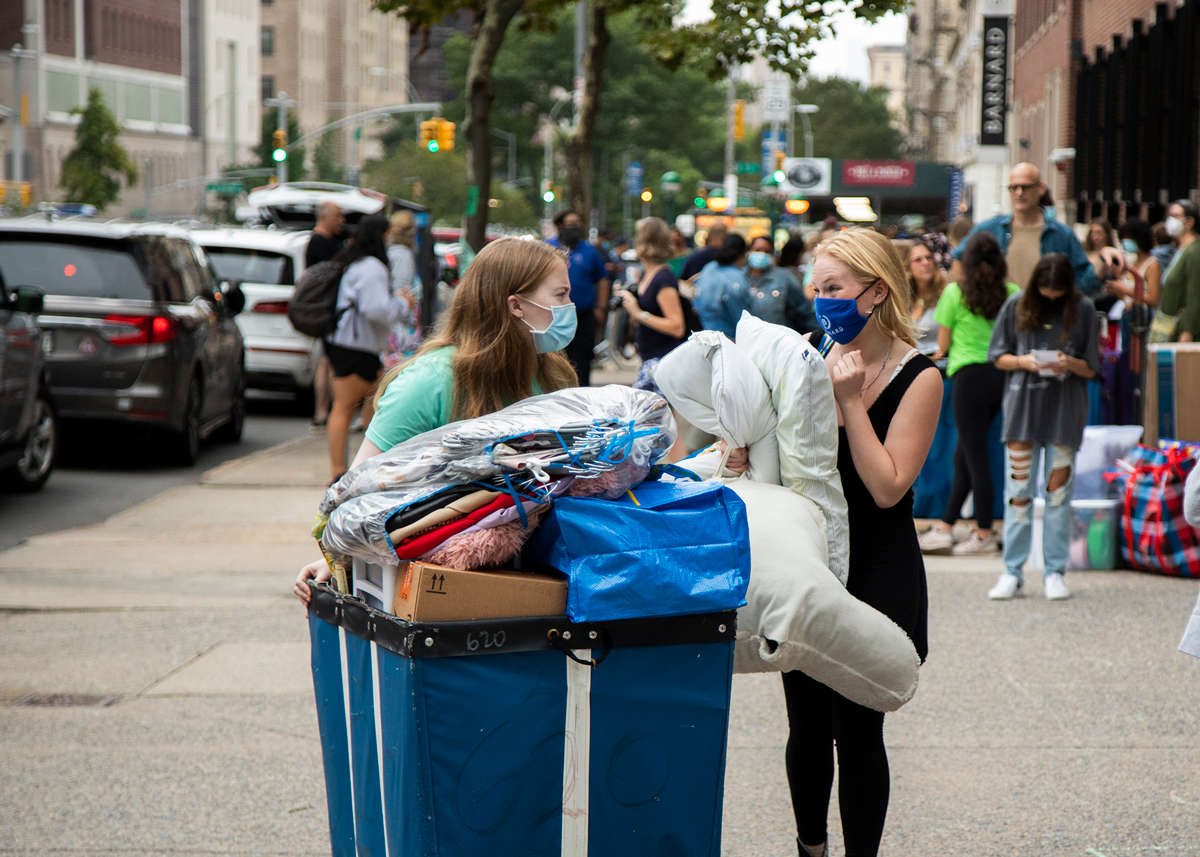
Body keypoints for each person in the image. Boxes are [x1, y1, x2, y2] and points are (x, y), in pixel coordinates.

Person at [771, 228, 942, 857]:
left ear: (875, 291)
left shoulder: (919, 377)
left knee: (859, 731)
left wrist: (848, 402)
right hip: (815, 564)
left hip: (879, 569)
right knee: (806, 726)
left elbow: (888, 486)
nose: (821, 301)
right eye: (816, 288)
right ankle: (809, 849)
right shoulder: (810, 353)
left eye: (834, 289)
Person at [294, 238, 579, 602]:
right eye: (560, 295)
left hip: (537, 577)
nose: (570, 307)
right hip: (437, 589)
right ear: (516, 305)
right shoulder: (428, 382)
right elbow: (358, 489)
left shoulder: (555, 375)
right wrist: (332, 559)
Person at [986, 253, 1100, 601]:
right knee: (1018, 495)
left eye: (1057, 292)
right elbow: (996, 355)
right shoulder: (1015, 305)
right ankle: (1012, 571)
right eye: (1046, 291)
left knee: (1058, 496)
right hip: (1022, 410)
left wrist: (1070, 363)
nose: (1051, 298)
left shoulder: (1084, 310)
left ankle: (1054, 571)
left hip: (1064, 412)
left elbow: (1092, 368)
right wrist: (1025, 361)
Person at [919, 231, 1020, 555]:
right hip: (1002, 375)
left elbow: (944, 346)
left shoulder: (954, 293)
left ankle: (984, 532)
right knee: (967, 453)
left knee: (974, 458)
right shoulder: (1013, 293)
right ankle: (947, 526)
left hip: (967, 377)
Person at [324, 215, 410, 483]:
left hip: (349, 343)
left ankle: (357, 466)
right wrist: (402, 303)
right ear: (380, 236)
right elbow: (376, 310)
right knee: (346, 406)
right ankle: (340, 471)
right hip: (356, 346)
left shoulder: (358, 263)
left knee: (372, 402)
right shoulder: (373, 267)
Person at [950, 162, 1123, 296]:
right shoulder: (990, 229)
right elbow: (958, 258)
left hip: (1045, 323)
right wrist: (973, 298)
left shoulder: (1062, 235)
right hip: (998, 322)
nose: (1019, 192)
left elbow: (1082, 284)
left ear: (1040, 188)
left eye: (1025, 187)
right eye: (1013, 187)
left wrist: (1102, 261)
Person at [620, 217, 687, 392]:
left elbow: (677, 326)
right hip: (650, 359)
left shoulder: (663, 278)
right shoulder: (648, 274)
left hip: (662, 362)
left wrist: (638, 313)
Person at [548, 210, 610, 385]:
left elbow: (602, 279)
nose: (574, 228)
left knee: (583, 359)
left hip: (583, 315)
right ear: (560, 226)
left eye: (577, 224)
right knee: (557, 358)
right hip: (555, 316)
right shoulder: (547, 247)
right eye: (570, 224)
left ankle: (582, 390)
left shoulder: (590, 251)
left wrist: (601, 307)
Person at [306, 202, 345, 428]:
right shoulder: (318, 243)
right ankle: (323, 411)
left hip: (329, 311)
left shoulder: (331, 241)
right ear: (325, 217)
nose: (342, 221)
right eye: (338, 216)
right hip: (326, 311)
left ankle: (325, 411)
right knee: (328, 362)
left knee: (326, 361)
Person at [744, 235, 817, 335]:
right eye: (757, 250)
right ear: (749, 252)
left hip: (776, 338)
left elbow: (804, 309)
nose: (761, 254)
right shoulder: (738, 278)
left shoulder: (784, 277)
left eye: (766, 251)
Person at [383, 210, 421, 368]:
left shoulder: (390, 252)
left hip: (393, 320)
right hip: (399, 325)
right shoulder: (403, 254)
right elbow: (403, 291)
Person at [693, 233, 749, 339]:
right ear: (743, 254)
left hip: (704, 335)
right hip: (729, 337)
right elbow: (741, 316)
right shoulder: (737, 277)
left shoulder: (709, 268)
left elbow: (696, 301)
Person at [1161, 199, 1200, 342]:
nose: (1170, 220)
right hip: (1168, 326)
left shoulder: (1194, 252)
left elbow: (1195, 295)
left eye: (1175, 216)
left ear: (1189, 222)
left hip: (1182, 331)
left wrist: (1187, 332)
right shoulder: (1179, 250)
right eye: (1169, 216)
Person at [905, 239, 947, 359]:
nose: (925, 262)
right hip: (910, 365)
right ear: (908, 267)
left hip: (941, 365)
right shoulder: (903, 298)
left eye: (929, 258)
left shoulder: (945, 293)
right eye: (918, 260)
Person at [1084, 218, 1118, 285]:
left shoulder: (1113, 254)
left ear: (1106, 234)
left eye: (1099, 232)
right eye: (1092, 232)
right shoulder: (1085, 253)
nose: (1095, 236)